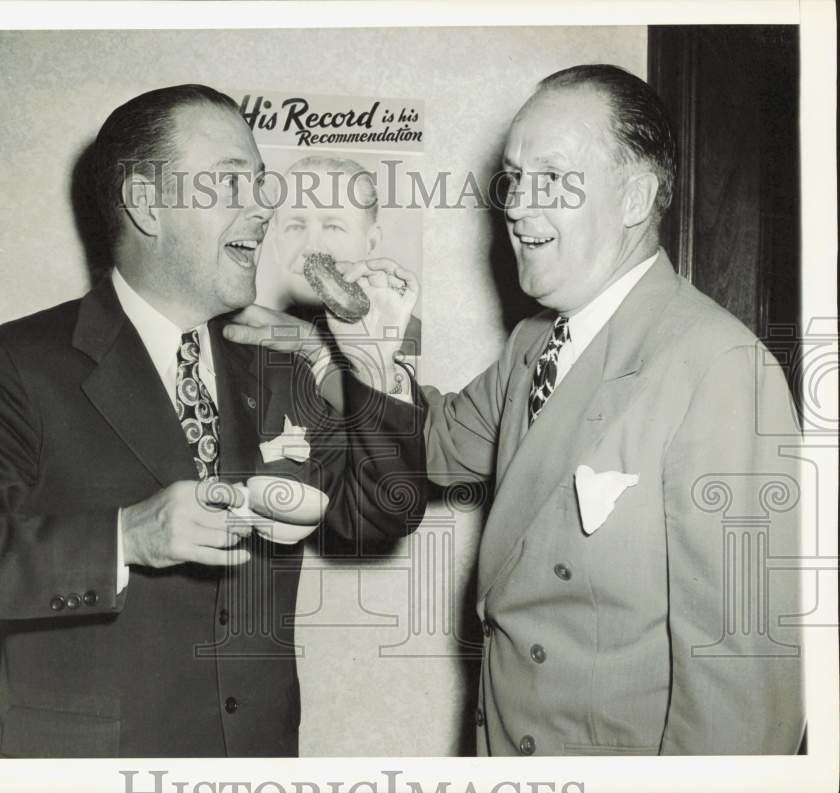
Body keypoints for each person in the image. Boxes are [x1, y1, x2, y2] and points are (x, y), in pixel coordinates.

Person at [227, 65, 805, 755]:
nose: (518, 206)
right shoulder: (538, 341)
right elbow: (435, 442)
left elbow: (746, 693)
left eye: (552, 180)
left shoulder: (721, 369)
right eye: (513, 178)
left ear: (634, 196)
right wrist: (330, 352)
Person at [0, 84, 427, 758]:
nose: (265, 207)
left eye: (260, 184)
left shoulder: (274, 365)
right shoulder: (16, 365)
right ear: (145, 204)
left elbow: (381, 511)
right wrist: (124, 537)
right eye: (233, 182)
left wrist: (374, 363)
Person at [255, 154, 422, 356]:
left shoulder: (413, 340)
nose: (312, 246)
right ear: (274, 239)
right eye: (295, 226)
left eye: (333, 226)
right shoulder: (247, 338)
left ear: (372, 243)